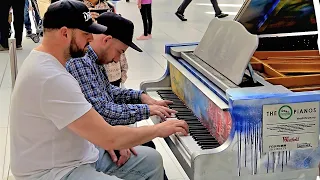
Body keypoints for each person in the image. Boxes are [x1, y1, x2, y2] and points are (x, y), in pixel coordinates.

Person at [10, 1, 189, 180]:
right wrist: (159, 129)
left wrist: (104, 139)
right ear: (65, 33)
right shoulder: (51, 77)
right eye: (86, 34)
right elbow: (108, 135)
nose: (91, 39)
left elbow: (98, 122)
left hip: (77, 154)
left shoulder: (51, 62)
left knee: (151, 160)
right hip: (54, 171)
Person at [66, 12, 175, 179]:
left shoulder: (93, 59)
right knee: (149, 152)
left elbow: (107, 91)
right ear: (107, 40)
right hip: (84, 145)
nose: (118, 59)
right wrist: (147, 112)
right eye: (120, 51)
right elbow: (102, 110)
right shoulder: (80, 62)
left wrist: (140, 97)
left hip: (93, 135)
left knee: (147, 144)